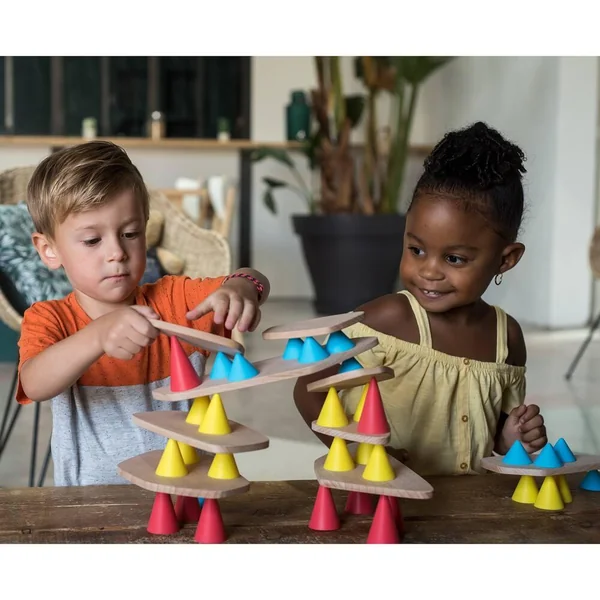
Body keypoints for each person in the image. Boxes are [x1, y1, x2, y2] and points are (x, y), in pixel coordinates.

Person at [294, 121, 547, 477]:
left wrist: (510, 438)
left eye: (454, 258)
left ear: (505, 259)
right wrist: (358, 452)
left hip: (469, 507)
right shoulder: (383, 321)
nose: (428, 271)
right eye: (416, 249)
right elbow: (308, 391)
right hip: (385, 503)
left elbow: (487, 433)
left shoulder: (507, 339)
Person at [16, 141, 271, 486]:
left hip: (188, 492)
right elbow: (34, 383)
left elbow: (252, 278)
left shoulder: (175, 300)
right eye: (92, 240)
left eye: (130, 233)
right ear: (49, 249)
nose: (117, 252)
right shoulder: (50, 319)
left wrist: (242, 288)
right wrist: (97, 336)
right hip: (92, 503)